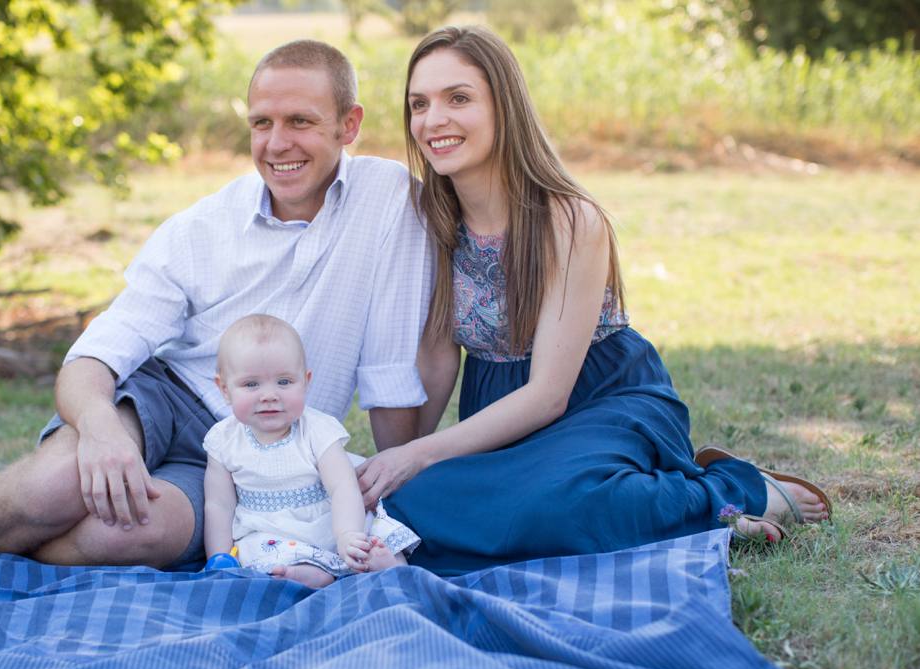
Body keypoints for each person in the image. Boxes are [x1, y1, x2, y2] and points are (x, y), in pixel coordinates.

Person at [0, 40, 433, 577]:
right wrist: (101, 429)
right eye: (261, 122)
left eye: (300, 121)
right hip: (168, 397)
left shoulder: (390, 202)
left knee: (125, 535)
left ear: (348, 126)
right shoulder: (202, 228)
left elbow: (388, 369)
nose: (276, 143)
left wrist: (394, 497)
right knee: (61, 484)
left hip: (262, 439)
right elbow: (97, 353)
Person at [354, 26, 831, 576]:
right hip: (498, 413)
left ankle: (734, 492)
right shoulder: (432, 220)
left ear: (503, 108)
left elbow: (548, 397)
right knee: (411, 510)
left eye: (458, 98)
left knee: (556, 505)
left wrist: (417, 456)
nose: (433, 119)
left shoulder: (569, 220)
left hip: (604, 397)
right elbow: (438, 358)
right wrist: (402, 466)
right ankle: (656, 506)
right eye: (419, 104)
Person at [203, 314, 420, 588]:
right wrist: (220, 557)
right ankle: (307, 573)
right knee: (257, 550)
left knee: (371, 533)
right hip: (269, 531)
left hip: (330, 521)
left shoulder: (317, 430)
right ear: (224, 389)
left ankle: (383, 564)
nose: (269, 395)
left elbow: (343, 487)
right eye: (251, 384)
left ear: (305, 381)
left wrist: (346, 535)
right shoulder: (223, 440)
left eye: (284, 382)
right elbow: (219, 505)